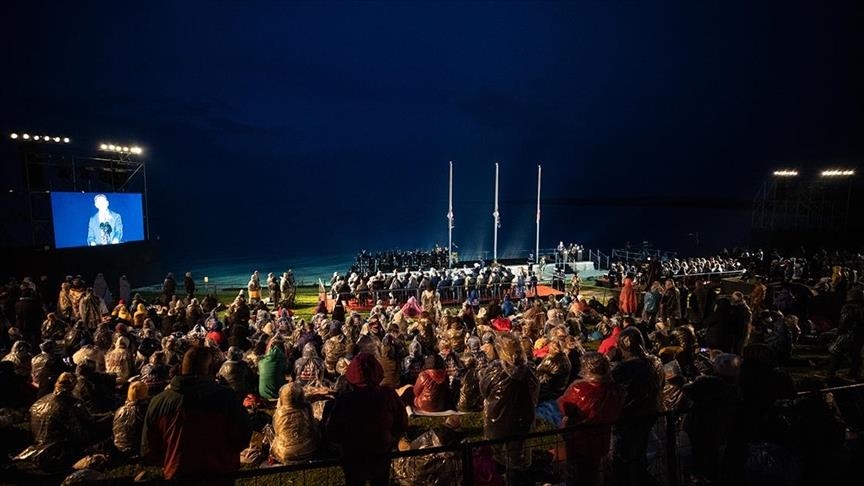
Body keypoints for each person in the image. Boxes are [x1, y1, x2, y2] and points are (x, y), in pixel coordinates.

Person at [142, 346, 251, 484]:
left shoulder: (158, 401)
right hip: (219, 475)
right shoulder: (227, 398)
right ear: (211, 370)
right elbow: (242, 437)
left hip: (177, 474)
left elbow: (149, 449)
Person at [324, 353, 408, 486]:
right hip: (381, 451)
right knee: (380, 480)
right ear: (377, 371)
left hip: (353, 455)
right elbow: (402, 422)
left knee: (354, 481)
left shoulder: (344, 400)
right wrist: (392, 438)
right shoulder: (388, 394)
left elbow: (332, 431)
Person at [479, 333, 539, 485]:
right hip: (522, 421)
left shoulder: (494, 370)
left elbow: (484, 390)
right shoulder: (530, 370)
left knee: (497, 457)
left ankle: (500, 479)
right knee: (516, 458)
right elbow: (536, 392)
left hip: (497, 421)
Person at [558, 352, 625, 486]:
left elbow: (564, 406)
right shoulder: (615, 389)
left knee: (578, 474)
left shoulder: (579, 388)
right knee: (595, 472)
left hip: (579, 440)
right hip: (603, 439)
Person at [270, 383, 320, 463]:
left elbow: (277, 432)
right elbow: (312, 427)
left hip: (284, 453)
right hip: (307, 450)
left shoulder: (279, 413)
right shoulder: (306, 409)